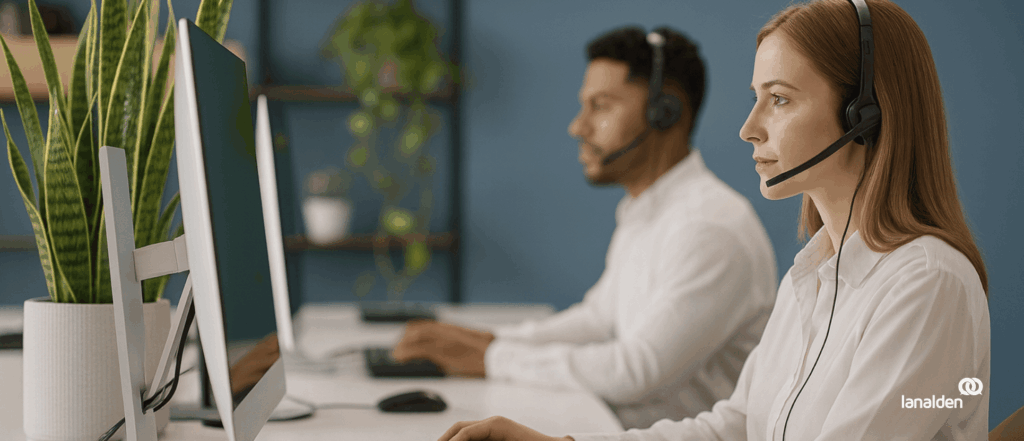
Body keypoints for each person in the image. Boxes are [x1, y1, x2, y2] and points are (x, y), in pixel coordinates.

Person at [434, 0, 991, 440]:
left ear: (863, 114)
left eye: (779, 100)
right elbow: (734, 428)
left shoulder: (925, 283)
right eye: (756, 98)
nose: (749, 128)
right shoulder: (817, 274)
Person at [392, 26, 778, 429]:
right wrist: (490, 342)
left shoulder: (710, 227)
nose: (578, 127)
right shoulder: (648, 210)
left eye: (601, 106)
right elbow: (599, 320)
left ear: (666, 111)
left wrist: (492, 358)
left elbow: (636, 370)